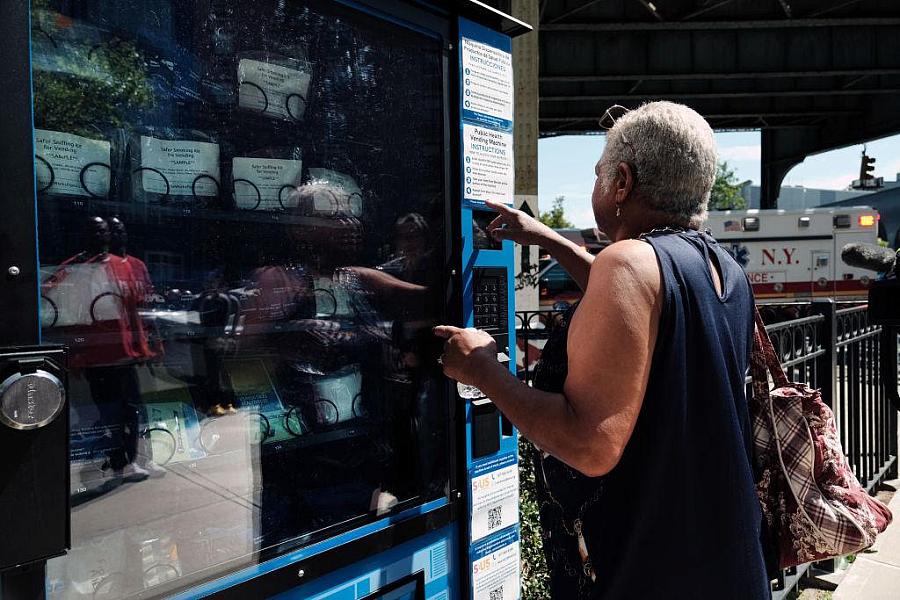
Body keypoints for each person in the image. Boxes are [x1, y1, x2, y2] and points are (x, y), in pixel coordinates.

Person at [435, 102, 770, 599]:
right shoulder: (722, 268)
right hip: (728, 560)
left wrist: (481, 370)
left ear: (622, 183)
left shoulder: (629, 263)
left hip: (651, 570)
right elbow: (644, 314)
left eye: (598, 174)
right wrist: (552, 241)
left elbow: (590, 446)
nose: (596, 185)